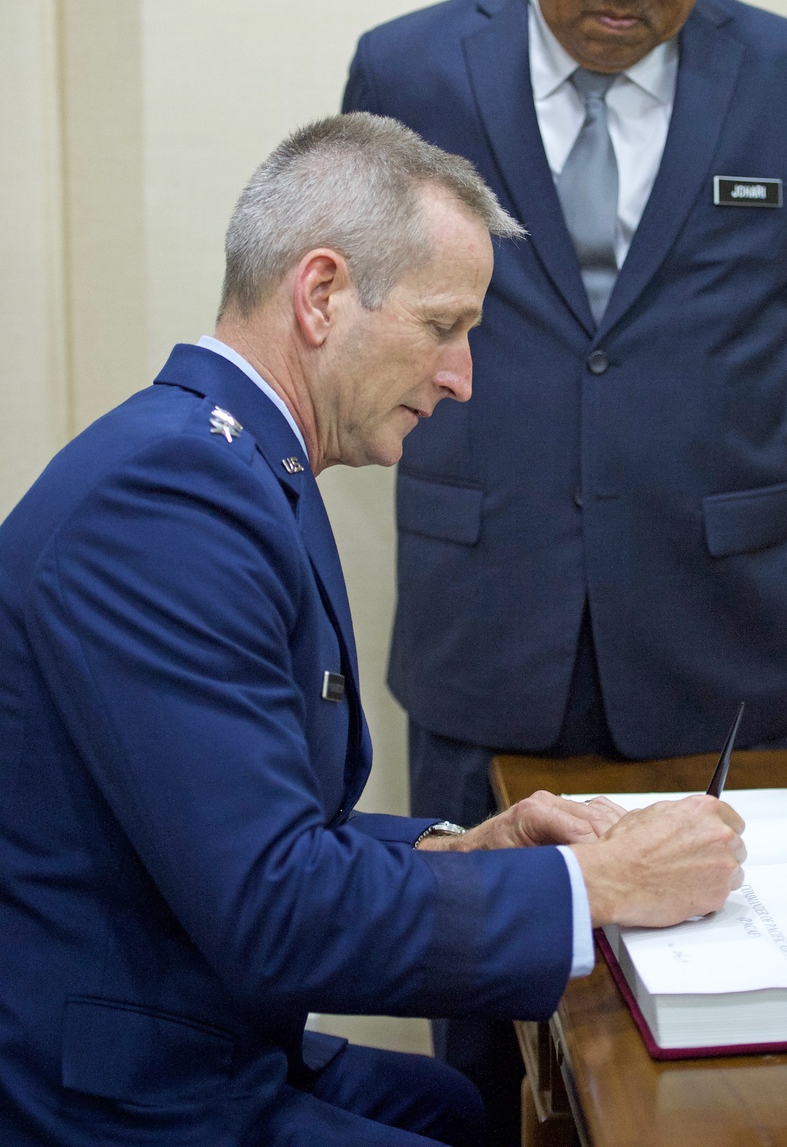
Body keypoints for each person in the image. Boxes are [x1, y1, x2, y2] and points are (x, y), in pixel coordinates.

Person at [0, 113, 746, 1147]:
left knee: (466, 1106)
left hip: (202, 1028)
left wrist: (467, 848)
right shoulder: (169, 500)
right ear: (320, 295)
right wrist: (595, 885)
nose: (462, 378)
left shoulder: (232, 461)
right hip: (117, 1091)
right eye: (444, 327)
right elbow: (274, 909)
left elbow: (242, 822)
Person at [343, 0, 787, 810]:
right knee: (484, 959)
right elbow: (370, 306)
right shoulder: (407, 75)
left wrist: (697, 428)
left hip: (721, 636)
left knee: (744, 958)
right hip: (487, 630)